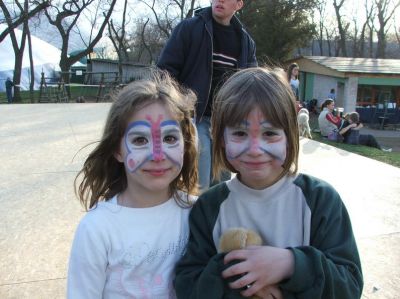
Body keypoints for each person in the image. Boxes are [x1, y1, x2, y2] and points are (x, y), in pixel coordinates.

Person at [174, 67, 363, 299]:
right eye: (240, 134)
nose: (255, 150)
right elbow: (189, 284)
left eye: (270, 133)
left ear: (289, 136)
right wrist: (242, 279)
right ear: (221, 138)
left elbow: (349, 286)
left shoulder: (320, 200)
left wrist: (291, 264)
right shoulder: (209, 207)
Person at [67, 70, 199, 298]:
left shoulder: (198, 213)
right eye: (140, 140)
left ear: (185, 144)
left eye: (169, 138)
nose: (157, 156)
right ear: (117, 150)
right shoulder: (97, 229)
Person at [157, 0, 257, 191]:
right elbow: (165, 72)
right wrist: (177, 105)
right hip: (195, 118)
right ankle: (194, 218)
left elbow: (252, 85)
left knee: (222, 185)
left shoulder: (246, 42)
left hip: (227, 123)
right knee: (198, 183)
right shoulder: (189, 29)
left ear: (239, 4)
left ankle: (216, 220)